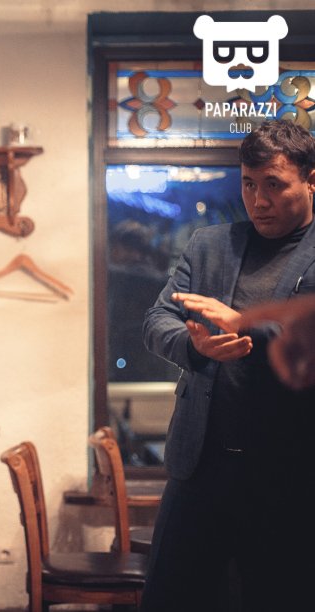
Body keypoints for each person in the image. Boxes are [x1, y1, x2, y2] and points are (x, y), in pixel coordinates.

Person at [141, 119, 315, 611]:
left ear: (311, 181)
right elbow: (157, 321)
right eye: (249, 184)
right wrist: (197, 347)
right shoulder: (210, 244)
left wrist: (246, 327)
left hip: (290, 471)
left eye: (274, 185)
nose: (259, 200)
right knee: (172, 598)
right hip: (200, 465)